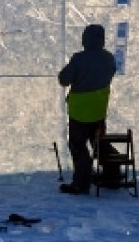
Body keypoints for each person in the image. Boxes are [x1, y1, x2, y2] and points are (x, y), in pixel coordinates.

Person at [57, 23, 117, 195]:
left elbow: (64, 80)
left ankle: (81, 184)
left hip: (80, 112)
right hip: (99, 109)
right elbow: (111, 73)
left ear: (85, 39)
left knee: (78, 147)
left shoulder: (78, 58)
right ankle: (112, 176)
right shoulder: (108, 58)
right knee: (100, 143)